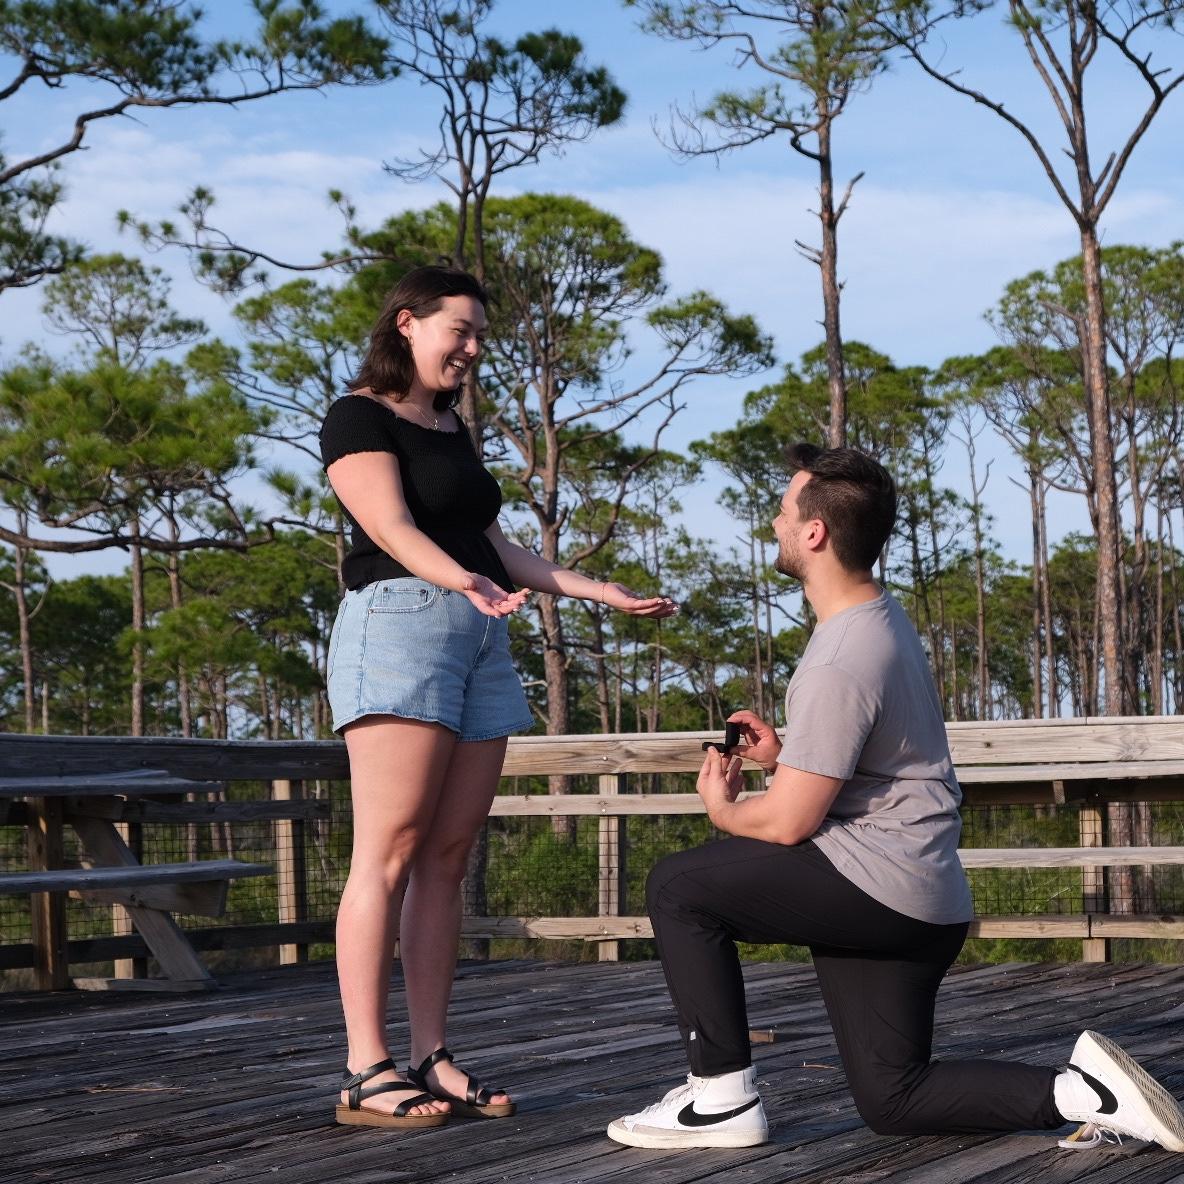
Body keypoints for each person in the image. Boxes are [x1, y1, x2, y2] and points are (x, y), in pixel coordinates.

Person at [607, 442, 1184, 1153]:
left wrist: (723, 809)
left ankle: (720, 1098)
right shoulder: (880, 619)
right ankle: (1083, 1093)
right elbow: (879, 760)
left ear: (814, 532)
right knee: (893, 1096)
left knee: (678, 887)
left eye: (783, 511)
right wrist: (788, 757)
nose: (774, 523)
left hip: (877, 888)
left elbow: (787, 822)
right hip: (922, 900)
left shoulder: (840, 657)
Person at [321, 265, 677, 1130]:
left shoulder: (451, 427)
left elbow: (495, 546)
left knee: (448, 857)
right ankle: (367, 1068)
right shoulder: (358, 416)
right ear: (407, 324)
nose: (475, 349)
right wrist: (463, 581)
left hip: (480, 637)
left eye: (481, 335)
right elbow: (390, 527)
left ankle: (431, 1055)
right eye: (461, 330)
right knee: (388, 852)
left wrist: (598, 591)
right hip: (401, 624)